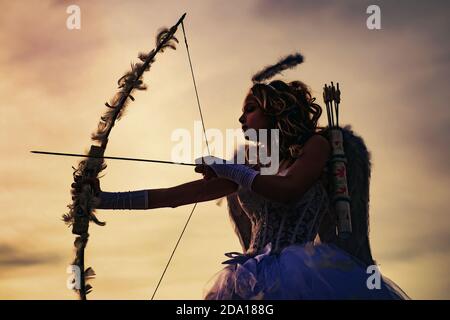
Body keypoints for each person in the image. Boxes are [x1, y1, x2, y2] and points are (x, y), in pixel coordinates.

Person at [74, 54, 409, 300]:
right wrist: (104, 200)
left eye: (250, 108)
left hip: (307, 279)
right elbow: (174, 197)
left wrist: (232, 170)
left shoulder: (317, 146)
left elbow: (290, 190)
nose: (241, 117)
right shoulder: (252, 163)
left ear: (275, 110)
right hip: (249, 275)